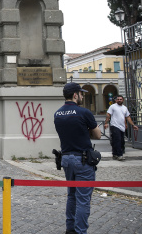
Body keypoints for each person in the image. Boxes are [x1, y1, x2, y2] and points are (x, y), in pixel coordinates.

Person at [54, 82, 101, 234]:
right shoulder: (84, 112)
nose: (82, 95)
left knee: (72, 195)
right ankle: (80, 231)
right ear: (75, 95)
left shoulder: (58, 113)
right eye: (81, 93)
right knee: (83, 199)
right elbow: (98, 135)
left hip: (66, 159)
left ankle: (70, 229)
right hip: (83, 159)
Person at [104, 95, 138, 160]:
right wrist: (106, 123)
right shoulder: (112, 106)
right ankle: (120, 155)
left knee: (121, 141)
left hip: (122, 127)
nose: (119, 100)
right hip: (114, 125)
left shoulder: (125, 108)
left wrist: (133, 125)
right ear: (116, 100)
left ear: (123, 100)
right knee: (117, 140)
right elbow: (108, 115)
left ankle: (115, 154)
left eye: (120, 99)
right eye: (118, 99)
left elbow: (127, 117)